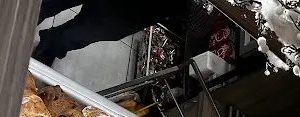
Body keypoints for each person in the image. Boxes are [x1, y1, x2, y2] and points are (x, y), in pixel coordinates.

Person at [33, 0, 187, 66]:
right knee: (44, 4)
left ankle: (51, 44)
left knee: (82, 32)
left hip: (135, 9)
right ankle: (30, 14)